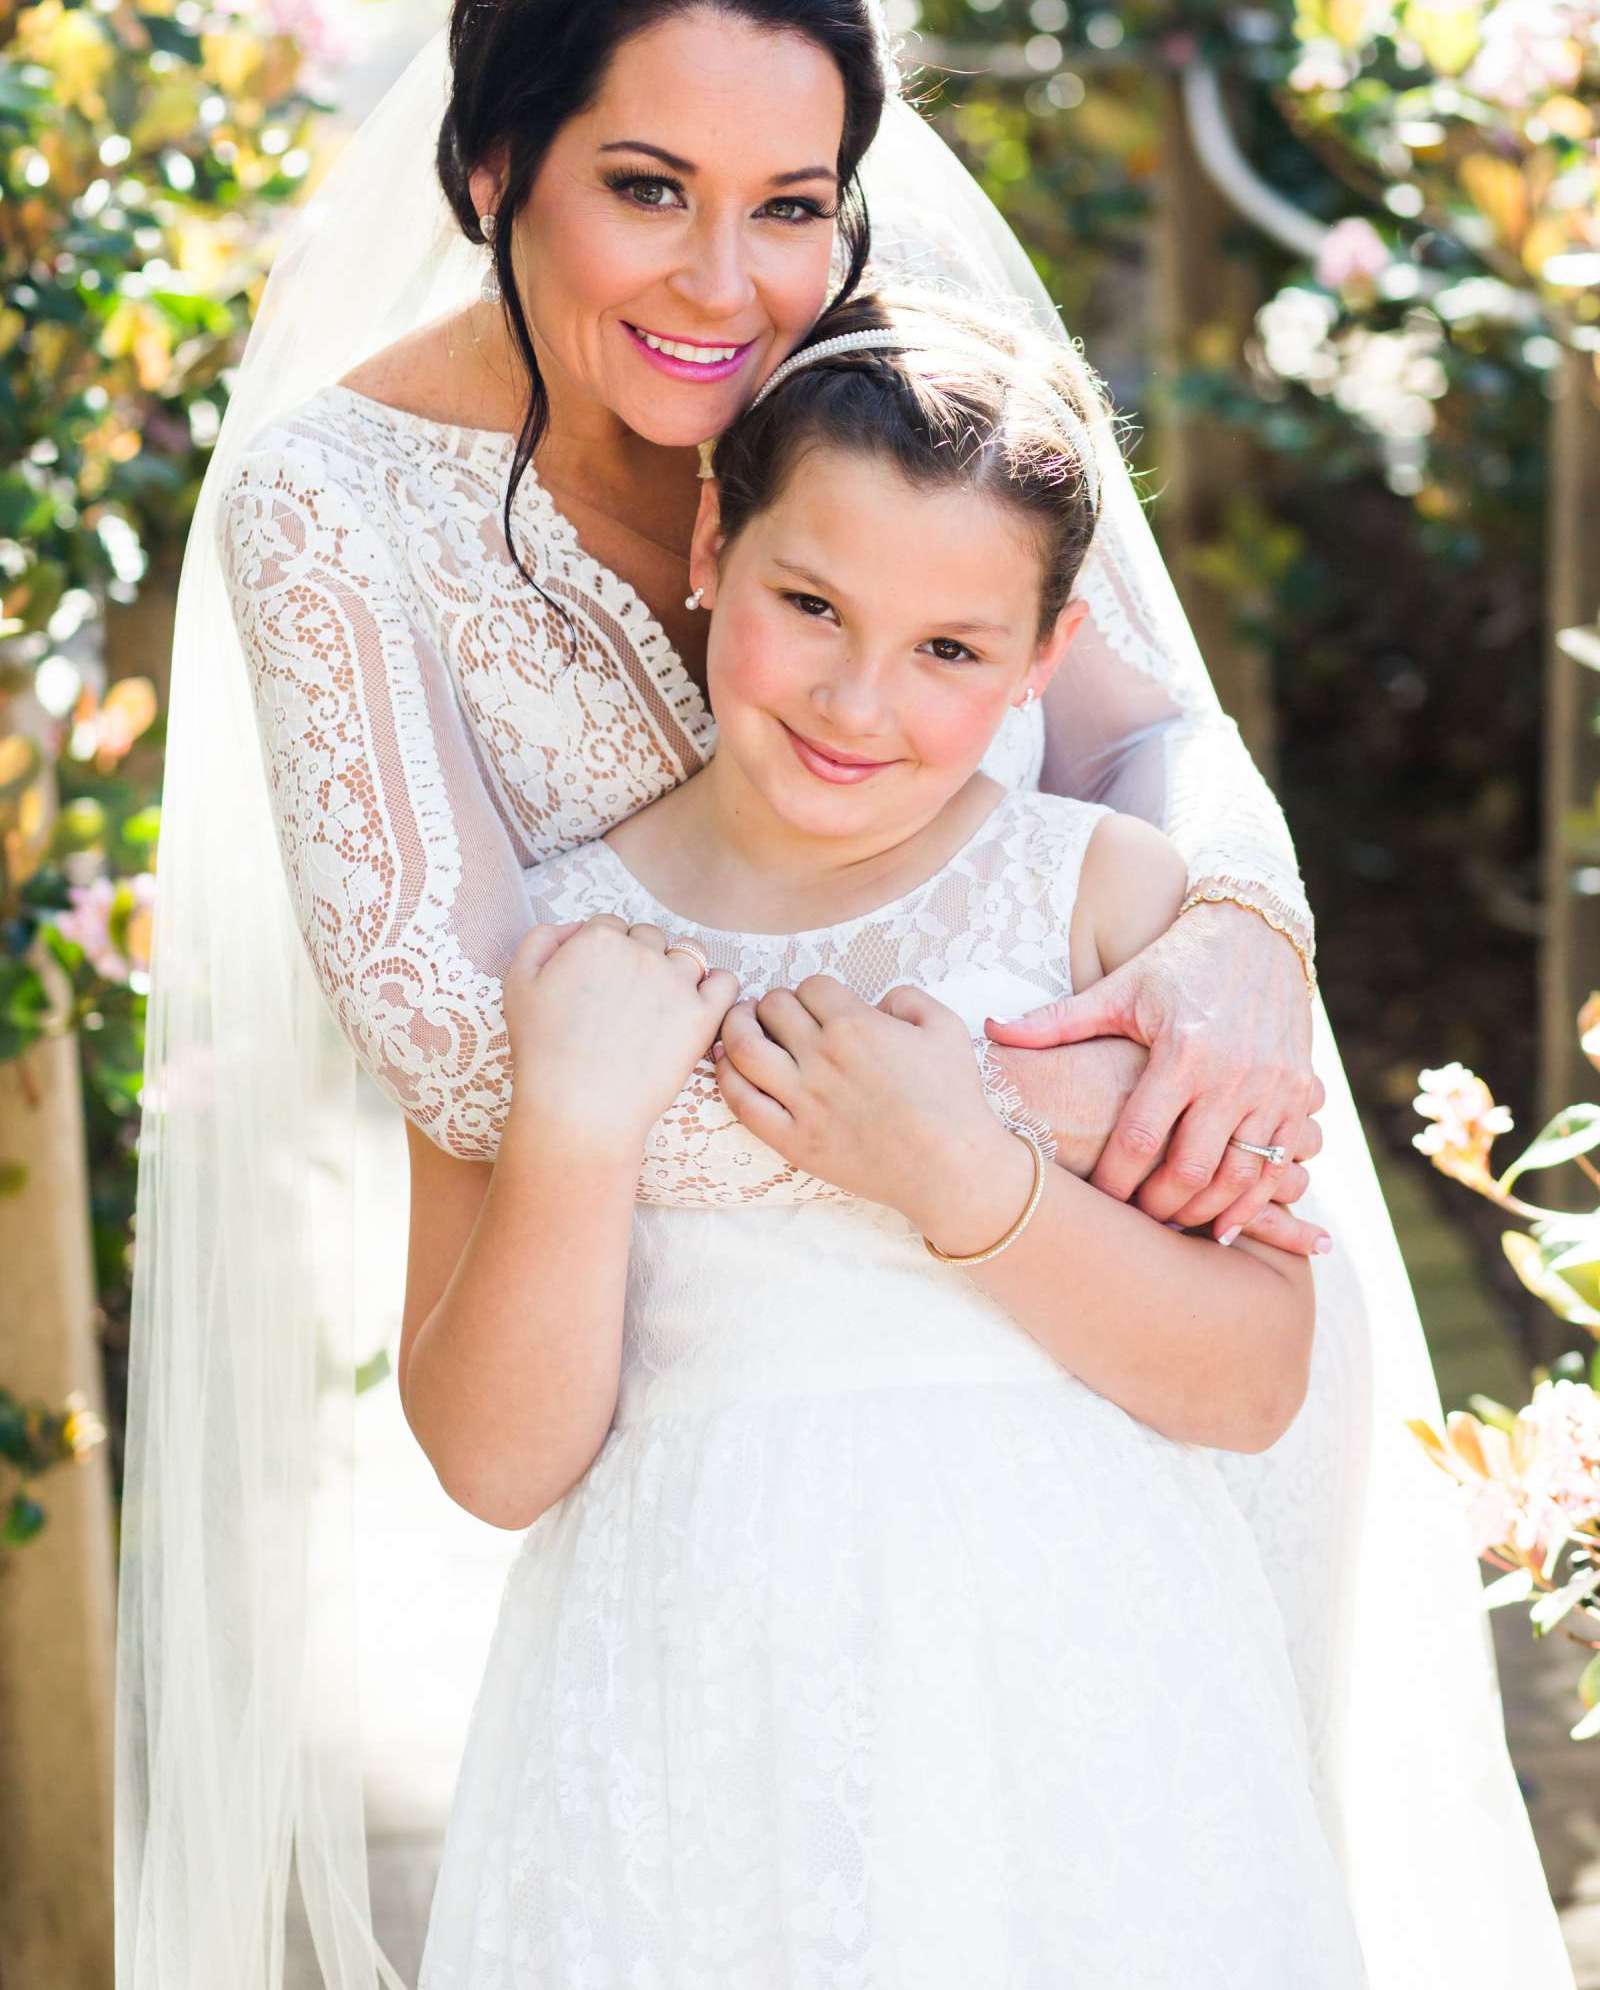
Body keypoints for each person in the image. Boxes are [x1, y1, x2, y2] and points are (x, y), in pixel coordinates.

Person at [115, 0, 1572, 1988]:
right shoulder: (334, 504)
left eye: (789, 205)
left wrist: (1226, 952)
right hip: (707, 1431)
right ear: (494, 161)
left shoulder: (877, 393)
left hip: (1088, 1420)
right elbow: (455, 1038)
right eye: (646, 188)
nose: (726, 284)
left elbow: (1153, 747)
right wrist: (1019, 1122)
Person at [407, 289, 1367, 1986]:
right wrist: (571, 1133)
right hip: (688, 1709)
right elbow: (493, 1465)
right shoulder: (558, 951)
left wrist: (963, 1176)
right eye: (811, 603)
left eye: (951, 652)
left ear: (1044, 663)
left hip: (1075, 1709)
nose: (861, 700)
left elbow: (1254, 1382)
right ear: (714, 542)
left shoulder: (1103, 907)